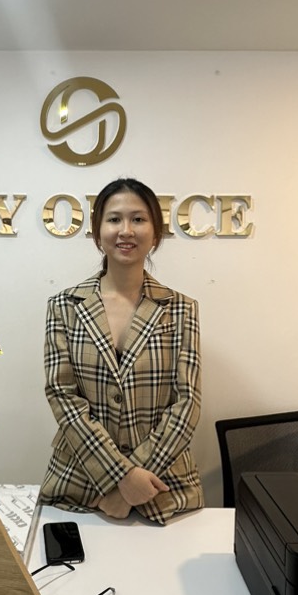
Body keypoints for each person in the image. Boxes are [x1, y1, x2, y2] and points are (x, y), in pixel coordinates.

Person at [39, 177, 204, 523]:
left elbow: (187, 402)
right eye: (114, 219)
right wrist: (121, 477)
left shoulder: (181, 309)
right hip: (82, 485)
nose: (126, 230)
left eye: (138, 219)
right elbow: (62, 395)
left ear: (155, 234)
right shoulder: (65, 306)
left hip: (162, 487)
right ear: (97, 233)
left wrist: (133, 483)